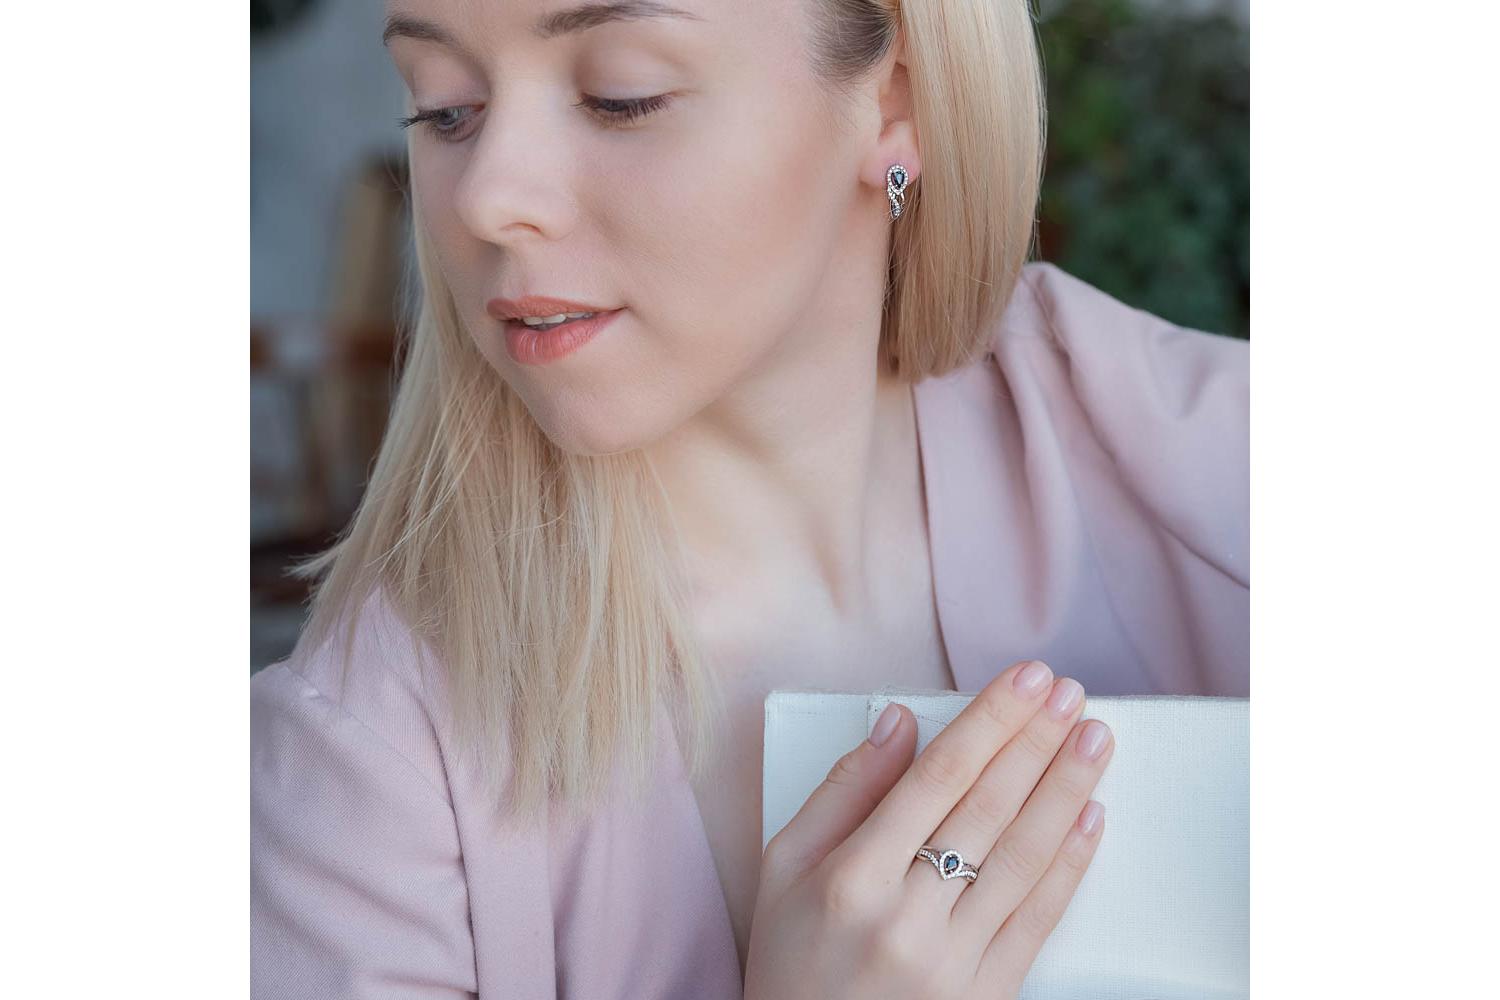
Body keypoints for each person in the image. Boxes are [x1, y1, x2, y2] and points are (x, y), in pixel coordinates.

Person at [250, 1, 1248, 997]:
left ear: (898, 107)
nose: (487, 199)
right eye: (445, 110)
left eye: (620, 96)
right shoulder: (359, 779)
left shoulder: (1198, 459)